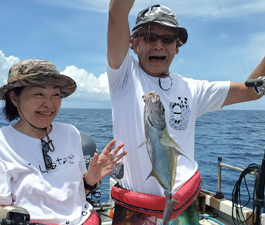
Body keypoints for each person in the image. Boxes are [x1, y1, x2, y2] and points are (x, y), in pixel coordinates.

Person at [107, 1, 265, 224]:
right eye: (149, 37)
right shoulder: (123, 76)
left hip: (184, 205)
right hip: (135, 209)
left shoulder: (193, 89)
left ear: (177, 47)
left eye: (168, 38)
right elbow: (116, 12)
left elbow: (253, 91)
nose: (158, 45)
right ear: (133, 44)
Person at [0, 59, 127, 225]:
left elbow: (74, 195)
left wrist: (89, 180)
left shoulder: (70, 133)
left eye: (56, 94)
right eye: (39, 94)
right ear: (14, 98)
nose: (49, 104)